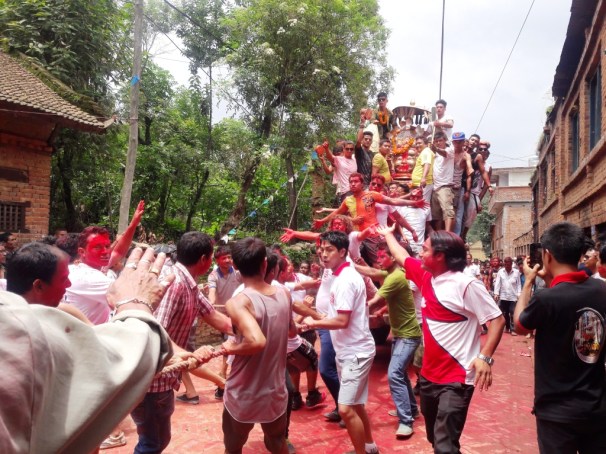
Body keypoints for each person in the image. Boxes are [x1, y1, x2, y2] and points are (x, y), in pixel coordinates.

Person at [0, 246, 202, 454]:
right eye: (63, 279)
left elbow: (104, 345)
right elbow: (116, 356)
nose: (69, 285)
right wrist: (137, 306)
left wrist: (175, 353)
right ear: (39, 286)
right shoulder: (21, 336)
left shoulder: (64, 312)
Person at [377, 224, 505, 453]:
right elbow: (402, 255)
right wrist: (387, 234)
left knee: (445, 446)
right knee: (434, 437)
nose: (420, 253)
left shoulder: (466, 284)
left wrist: (485, 358)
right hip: (428, 377)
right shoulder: (426, 276)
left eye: (425, 249)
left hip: (457, 379)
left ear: (440, 255)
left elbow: (497, 320)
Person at [132, 232, 232, 453]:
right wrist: (186, 355)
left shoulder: (190, 284)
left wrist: (253, 331)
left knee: (158, 440)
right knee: (152, 443)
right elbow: (155, 330)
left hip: (164, 379)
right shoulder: (174, 284)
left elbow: (215, 317)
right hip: (152, 382)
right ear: (205, 259)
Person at [514, 222, 606, 454]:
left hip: (556, 412)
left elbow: (520, 326)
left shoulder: (545, 299)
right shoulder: (602, 291)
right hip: (596, 407)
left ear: (547, 255)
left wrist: (528, 284)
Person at [303, 231, 378, 454]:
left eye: (329, 250)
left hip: (356, 352)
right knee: (355, 405)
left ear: (343, 252)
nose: (323, 254)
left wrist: (312, 323)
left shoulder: (346, 279)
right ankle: (370, 447)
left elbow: (342, 321)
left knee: (345, 409)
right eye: (321, 249)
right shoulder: (337, 276)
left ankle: (361, 451)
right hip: (348, 350)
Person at [221, 237, 295, 454]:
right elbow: (292, 330)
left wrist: (230, 348)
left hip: (243, 393)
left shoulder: (238, 302)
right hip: (274, 390)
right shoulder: (284, 293)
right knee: (277, 443)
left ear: (235, 266)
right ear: (265, 264)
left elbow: (256, 341)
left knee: (233, 448)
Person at [355, 244, 421, 439]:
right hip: (402, 334)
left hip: (408, 335)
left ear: (393, 258)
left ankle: (406, 420)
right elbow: (373, 271)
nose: (379, 260)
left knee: (393, 374)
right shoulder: (392, 272)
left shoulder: (395, 278)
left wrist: (348, 312)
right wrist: (350, 264)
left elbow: (374, 301)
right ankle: (411, 409)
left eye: (383, 257)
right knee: (400, 374)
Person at [206, 244, 242, 400]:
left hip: (236, 315)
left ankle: (223, 376)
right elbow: (212, 292)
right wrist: (211, 304)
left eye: (229, 257)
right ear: (217, 260)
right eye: (224, 258)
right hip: (221, 316)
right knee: (229, 345)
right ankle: (223, 379)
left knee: (231, 343)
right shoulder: (213, 276)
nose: (228, 260)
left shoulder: (238, 273)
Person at [430, 132, 456, 231]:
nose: (438, 143)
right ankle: (439, 236)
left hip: (445, 187)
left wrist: (435, 148)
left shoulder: (450, 150)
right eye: (436, 141)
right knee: (436, 216)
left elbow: (444, 153)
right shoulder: (434, 153)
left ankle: (448, 234)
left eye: (440, 140)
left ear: (445, 140)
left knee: (448, 212)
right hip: (435, 187)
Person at [494, 257, 521, 335]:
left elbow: (518, 284)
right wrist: (496, 293)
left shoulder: (516, 272)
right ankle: (507, 327)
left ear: (511, 264)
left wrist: (519, 293)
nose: (507, 266)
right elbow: (498, 283)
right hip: (503, 296)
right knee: (505, 313)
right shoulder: (500, 272)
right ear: (504, 264)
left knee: (512, 312)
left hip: (513, 296)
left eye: (509, 264)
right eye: (506, 264)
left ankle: (513, 329)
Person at [410, 135, 434, 204]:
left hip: (424, 184)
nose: (417, 145)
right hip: (421, 183)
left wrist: (423, 178)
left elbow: (427, 164)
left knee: (423, 204)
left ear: (426, 144)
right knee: (424, 204)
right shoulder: (425, 152)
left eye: (420, 143)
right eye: (416, 143)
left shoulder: (426, 152)